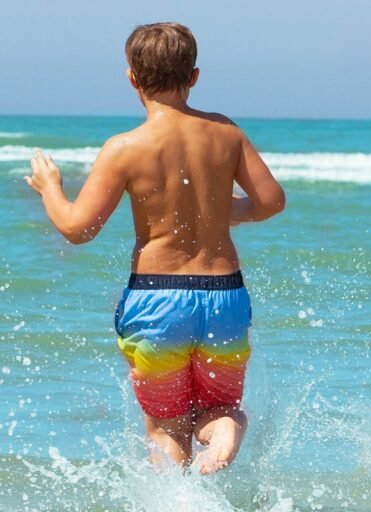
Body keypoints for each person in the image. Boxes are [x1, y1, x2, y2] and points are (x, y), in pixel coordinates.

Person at [24, 22, 285, 474]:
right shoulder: (226, 133)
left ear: (131, 77)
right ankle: (223, 430)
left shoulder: (125, 148)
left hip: (158, 298)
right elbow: (270, 202)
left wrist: (50, 189)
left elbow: (77, 229)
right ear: (195, 76)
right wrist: (224, 212)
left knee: (165, 425)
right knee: (219, 407)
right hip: (224, 295)